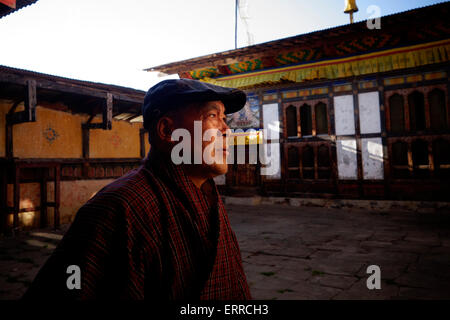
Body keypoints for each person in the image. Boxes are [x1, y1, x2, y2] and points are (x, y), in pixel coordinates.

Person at [23, 79, 251, 300]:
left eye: (224, 118)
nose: (226, 130)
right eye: (212, 116)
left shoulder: (207, 196)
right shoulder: (117, 208)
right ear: (167, 131)